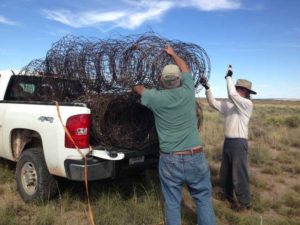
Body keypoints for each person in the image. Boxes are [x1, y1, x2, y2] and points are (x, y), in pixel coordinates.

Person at [133, 46, 216, 225]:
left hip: (170, 159)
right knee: (202, 199)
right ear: (179, 79)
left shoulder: (155, 98)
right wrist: (172, 54)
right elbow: (186, 68)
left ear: (162, 81)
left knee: (171, 203)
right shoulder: (188, 91)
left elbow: (138, 88)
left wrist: (137, 79)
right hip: (195, 155)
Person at [200, 65, 257, 211]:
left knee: (239, 174)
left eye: (241, 89)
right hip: (229, 142)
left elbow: (232, 95)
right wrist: (207, 88)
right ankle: (227, 196)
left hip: (239, 143)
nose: (238, 90)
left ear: (246, 92)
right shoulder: (231, 106)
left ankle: (245, 203)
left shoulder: (246, 104)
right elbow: (213, 103)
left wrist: (229, 77)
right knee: (225, 172)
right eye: (238, 88)